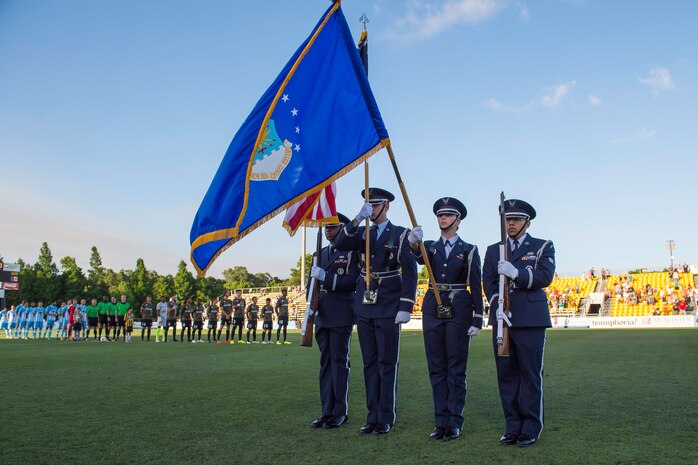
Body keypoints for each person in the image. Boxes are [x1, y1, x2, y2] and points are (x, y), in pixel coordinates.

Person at [333, 187, 418, 435]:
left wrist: (406, 305)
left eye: (376, 205)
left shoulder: (401, 234)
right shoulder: (362, 233)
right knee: (369, 362)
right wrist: (357, 218)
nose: (372, 209)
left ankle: (386, 417)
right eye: (368, 205)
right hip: (365, 303)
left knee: (387, 362)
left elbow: (410, 273)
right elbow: (339, 242)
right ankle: (372, 416)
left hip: (389, 302)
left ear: (387, 206)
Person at [408, 197, 484, 441]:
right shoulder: (429, 247)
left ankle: (454, 421)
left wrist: (477, 317)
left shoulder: (469, 250)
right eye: (440, 215)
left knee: (456, 367)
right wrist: (412, 242)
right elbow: (416, 256)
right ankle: (440, 421)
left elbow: (475, 284)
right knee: (436, 367)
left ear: (458, 220)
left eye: (449, 215)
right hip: (432, 307)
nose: (443, 218)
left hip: (459, 307)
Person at [482, 198, 555, 448]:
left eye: (515, 219)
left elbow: (545, 277)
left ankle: (531, 427)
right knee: (506, 374)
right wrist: (498, 303)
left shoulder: (542, 245)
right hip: (502, 319)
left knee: (530, 375)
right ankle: (512, 426)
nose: (510, 224)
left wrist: (518, 273)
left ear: (527, 222)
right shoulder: (495, 250)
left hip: (530, 319)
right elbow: (488, 282)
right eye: (507, 220)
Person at [308, 213, 360, 430]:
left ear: (343, 228)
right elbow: (312, 285)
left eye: (333, 227)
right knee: (325, 363)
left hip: (341, 311)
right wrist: (310, 307)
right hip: (322, 312)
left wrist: (326, 278)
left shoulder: (350, 252)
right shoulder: (318, 253)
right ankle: (326, 411)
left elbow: (351, 281)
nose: (328, 230)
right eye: (326, 227)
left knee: (339, 362)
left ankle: (340, 412)